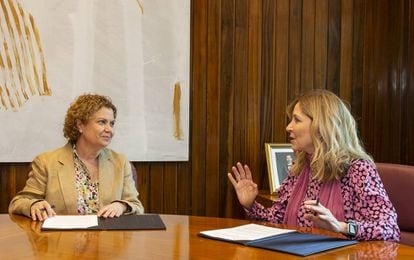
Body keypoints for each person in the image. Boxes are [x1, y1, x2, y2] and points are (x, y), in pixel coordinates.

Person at [228, 89, 400, 241]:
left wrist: (341, 227)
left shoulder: (358, 169)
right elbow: (277, 221)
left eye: (297, 120)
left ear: (320, 126)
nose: (288, 127)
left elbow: (389, 228)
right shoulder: (300, 167)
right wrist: (250, 205)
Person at [9, 94, 144, 221]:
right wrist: (34, 205)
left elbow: (136, 205)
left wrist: (122, 206)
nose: (110, 130)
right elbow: (19, 202)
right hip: (62, 241)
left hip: (108, 240)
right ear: (80, 125)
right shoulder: (46, 162)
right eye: (102, 122)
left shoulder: (121, 162)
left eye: (112, 123)